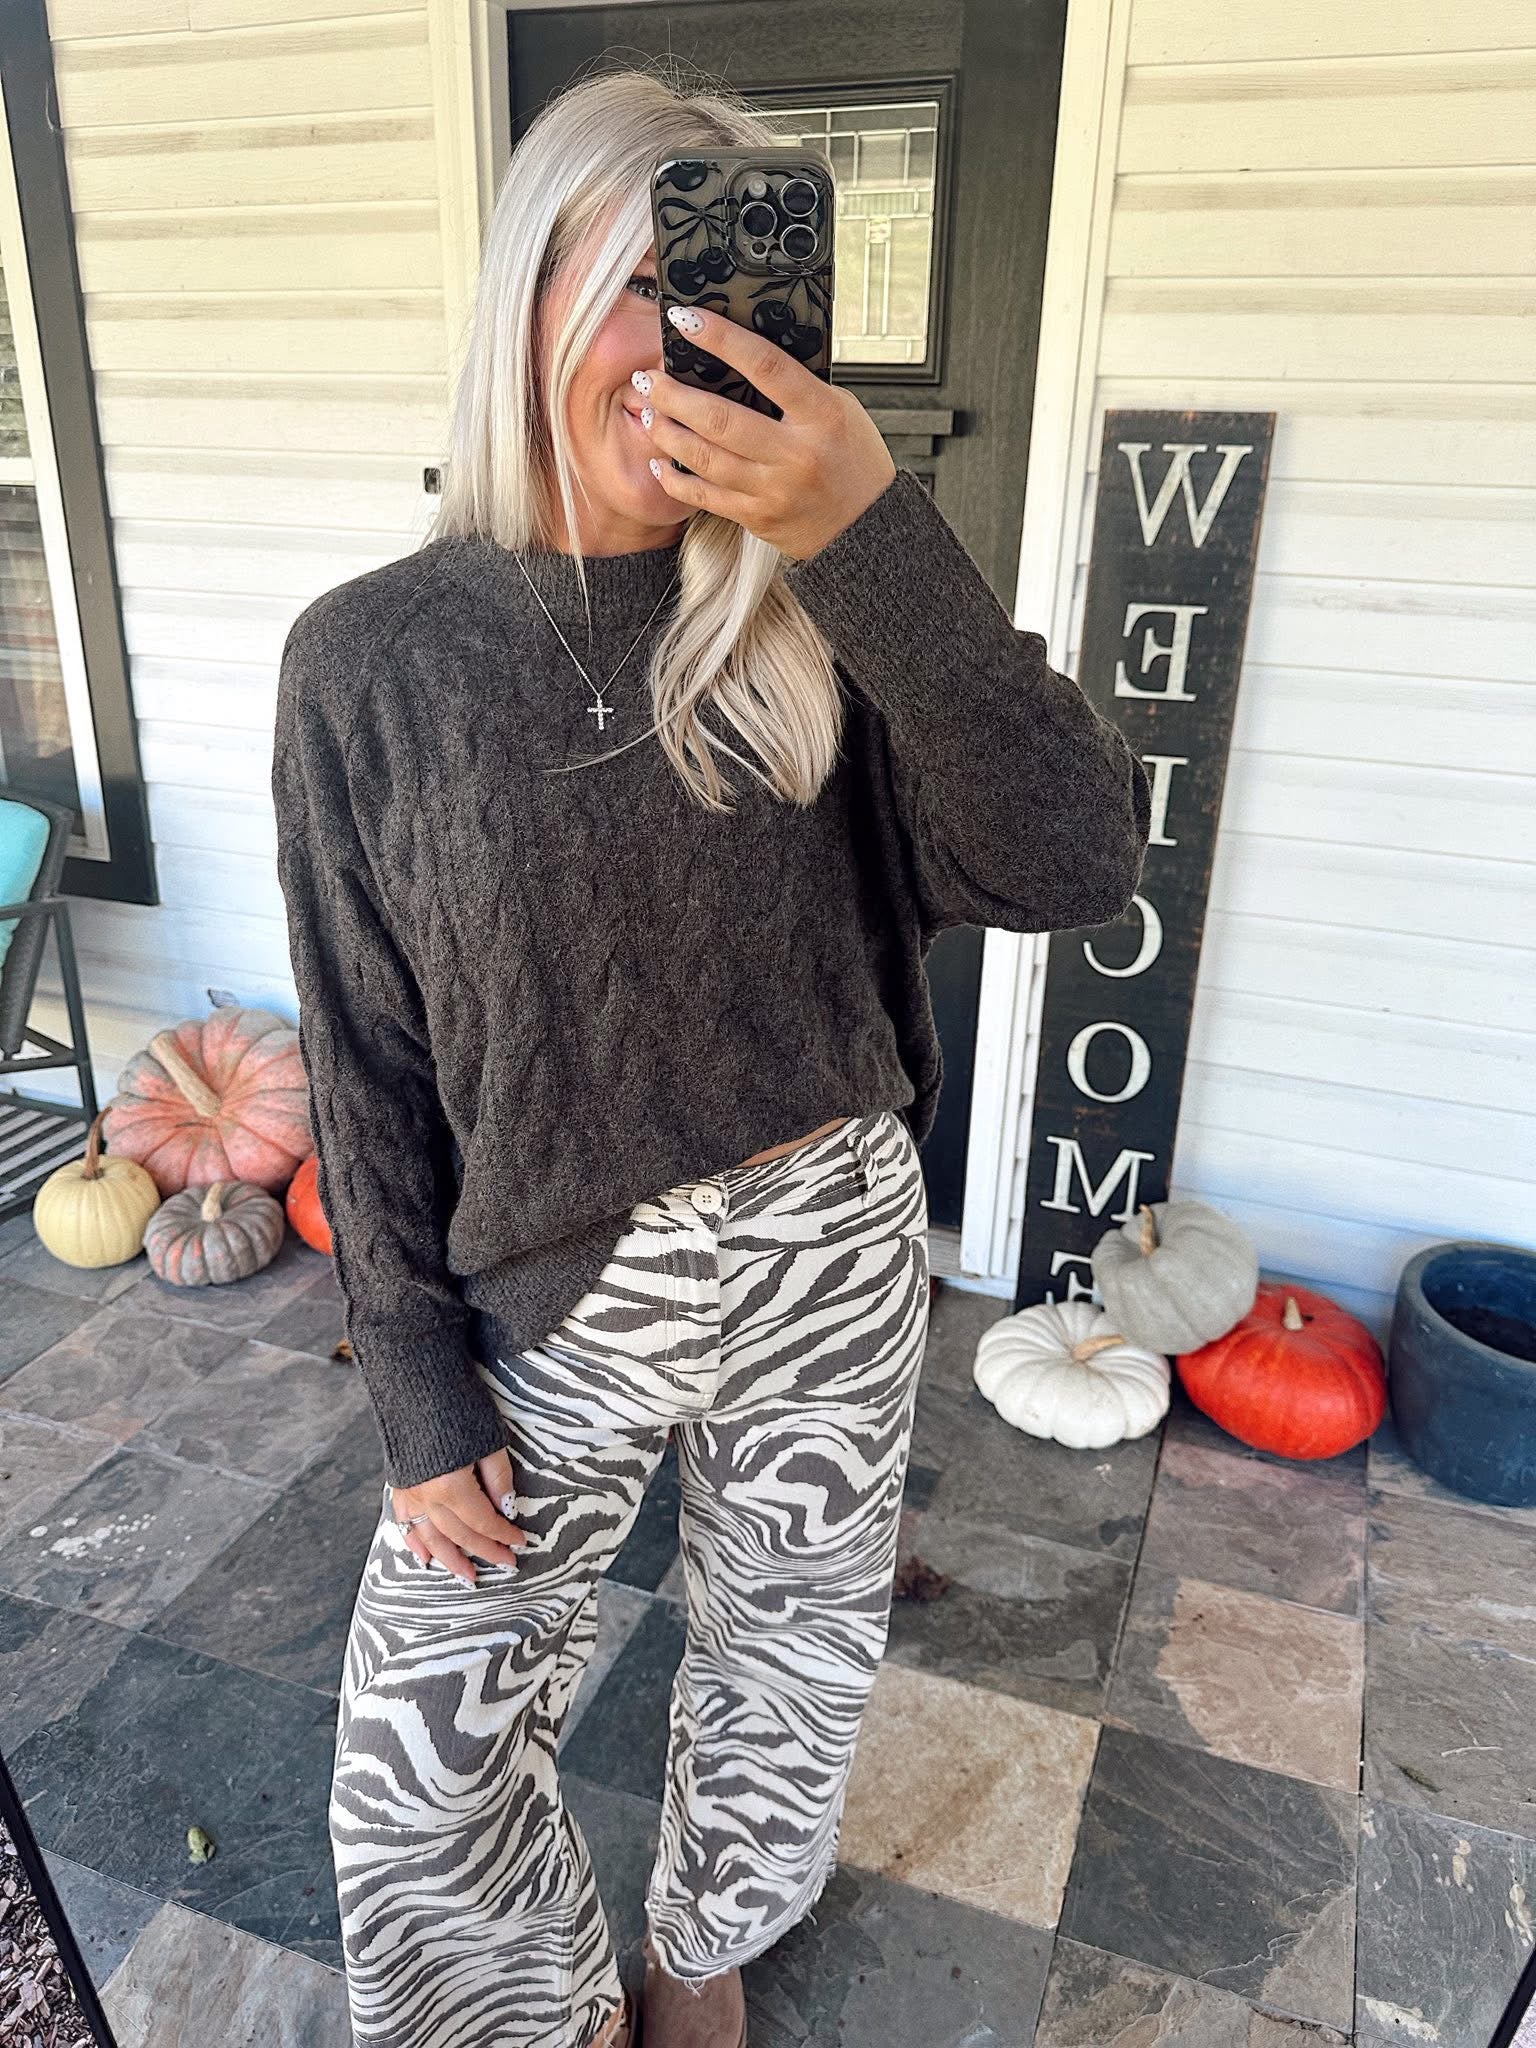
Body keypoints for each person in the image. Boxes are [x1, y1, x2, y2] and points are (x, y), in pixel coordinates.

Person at [270, 61, 1151, 2048]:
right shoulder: (371, 659)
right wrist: (411, 1374)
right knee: (420, 1768)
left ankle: (703, 1951)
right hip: (558, 1280)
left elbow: (1074, 858)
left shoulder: (822, 615)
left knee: (790, 1660)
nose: (697, 345)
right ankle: (536, 2007)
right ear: (538, 298)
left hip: (833, 1233)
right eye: (651, 290)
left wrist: (871, 533)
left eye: (737, 299)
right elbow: (361, 1050)